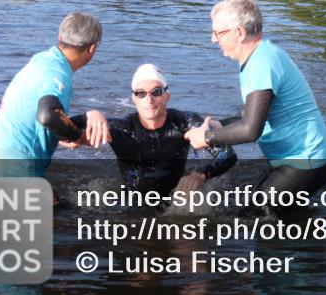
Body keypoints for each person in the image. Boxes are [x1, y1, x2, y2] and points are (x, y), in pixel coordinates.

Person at [185, 0, 326, 216]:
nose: (213, 39)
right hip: (298, 159)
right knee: (269, 216)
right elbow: (255, 116)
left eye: (218, 33)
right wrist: (220, 125)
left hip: (305, 161)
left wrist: (207, 138)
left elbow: (250, 130)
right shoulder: (260, 56)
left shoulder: (262, 63)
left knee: (254, 219)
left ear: (239, 32)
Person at [56, 64, 238, 196]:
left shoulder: (184, 123)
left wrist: (201, 175)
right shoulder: (120, 129)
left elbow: (228, 154)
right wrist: (89, 116)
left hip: (174, 200)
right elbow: (57, 130)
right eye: (141, 93)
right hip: (130, 203)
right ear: (134, 99)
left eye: (156, 92)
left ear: (167, 96)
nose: (149, 100)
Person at [0, 12, 110, 177]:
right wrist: (78, 137)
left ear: (60, 37)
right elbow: (48, 115)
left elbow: (43, 118)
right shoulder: (57, 73)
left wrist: (84, 119)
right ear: (92, 47)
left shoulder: (42, 59)